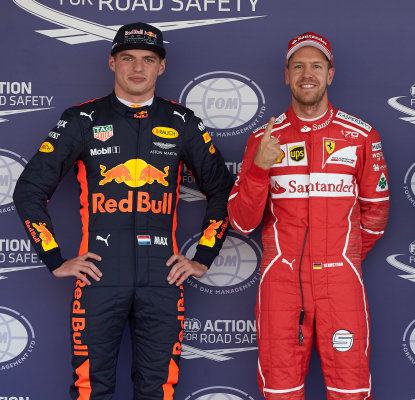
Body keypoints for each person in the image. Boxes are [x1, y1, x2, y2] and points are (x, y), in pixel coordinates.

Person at [13, 22, 233, 399]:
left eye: (148, 59)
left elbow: (222, 192)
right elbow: (29, 190)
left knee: (158, 390)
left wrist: (203, 257)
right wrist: (54, 258)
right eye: (128, 58)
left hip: (163, 279)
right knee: (89, 390)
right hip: (99, 276)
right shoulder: (82, 119)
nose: (137, 68)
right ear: (112, 62)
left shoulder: (182, 122)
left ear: (160, 67)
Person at [227, 32, 389, 400]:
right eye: (298, 66)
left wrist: (340, 258)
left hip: (342, 281)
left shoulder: (361, 135)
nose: (307, 74)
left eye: (316, 65)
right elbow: (241, 222)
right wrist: (258, 170)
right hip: (280, 283)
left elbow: (376, 215)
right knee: (280, 391)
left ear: (330, 74)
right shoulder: (263, 139)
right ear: (286, 75)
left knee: (351, 390)